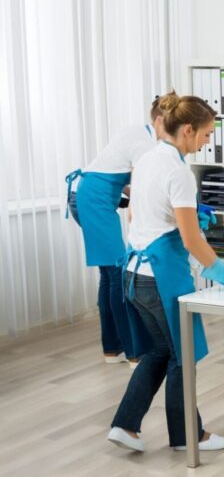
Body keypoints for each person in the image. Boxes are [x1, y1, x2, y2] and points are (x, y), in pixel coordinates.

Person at [107, 92, 224, 453]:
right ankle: (187, 437)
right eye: (207, 134)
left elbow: (136, 215)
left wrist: (190, 210)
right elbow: (191, 238)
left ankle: (125, 425)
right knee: (182, 354)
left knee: (159, 352)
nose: (208, 141)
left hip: (134, 275)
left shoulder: (147, 160)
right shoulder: (180, 172)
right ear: (188, 130)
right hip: (161, 279)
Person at [65, 97, 165, 367]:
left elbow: (114, 172)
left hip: (87, 196)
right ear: (159, 121)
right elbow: (142, 187)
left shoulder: (137, 132)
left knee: (109, 277)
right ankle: (134, 353)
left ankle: (112, 349)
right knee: (119, 276)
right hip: (93, 201)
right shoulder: (146, 144)